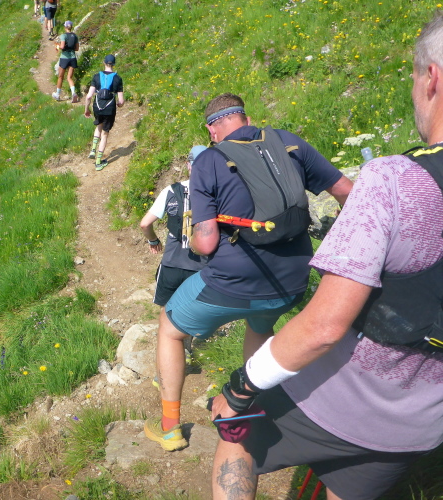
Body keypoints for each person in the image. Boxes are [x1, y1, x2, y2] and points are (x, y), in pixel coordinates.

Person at [208, 13, 443, 500]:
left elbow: (323, 328)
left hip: (336, 397)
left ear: (432, 78)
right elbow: (342, 188)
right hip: (422, 425)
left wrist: (240, 388)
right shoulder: (291, 143)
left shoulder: (395, 179)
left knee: (235, 435)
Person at [144, 92, 353, 452]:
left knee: (170, 327)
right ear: (246, 118)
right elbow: (347, 191)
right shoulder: (288, 143)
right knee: (260, 325)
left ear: (212, 131)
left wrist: (200, 235)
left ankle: (169, 428)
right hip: (291, 283)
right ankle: (248, 412)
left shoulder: (209, 161)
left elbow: (206, 243)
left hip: (233, 282)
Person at [140, 145, 209, 308]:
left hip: (172, 263)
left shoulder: (171, 191)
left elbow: (145, 224)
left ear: (188, 165)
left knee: (167, 311)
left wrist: (153, 240)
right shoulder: (218, 193)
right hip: (202, 266)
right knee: (195, 313)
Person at [84, 54, 124, 171]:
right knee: (105, 134)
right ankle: (98, 162)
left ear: (104, 62)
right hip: (109, 108)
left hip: (97, 106)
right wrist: (120, 104)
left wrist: (87, 109)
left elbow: (89, 96)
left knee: (98, 125)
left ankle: (93, 149)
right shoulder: (118, 78)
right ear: (114, 64)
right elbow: (121, 101)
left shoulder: (96, 76)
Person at [52, 21, 79, 103]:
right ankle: (73, 93)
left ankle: (57, 94)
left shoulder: (63, 36)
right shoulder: (75, 36)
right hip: (73, 58)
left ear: (65, 27)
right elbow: (77, 48)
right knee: (69, 77)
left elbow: (62, 46)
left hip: (64, 58)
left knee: (60, 76)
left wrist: (57, 46)